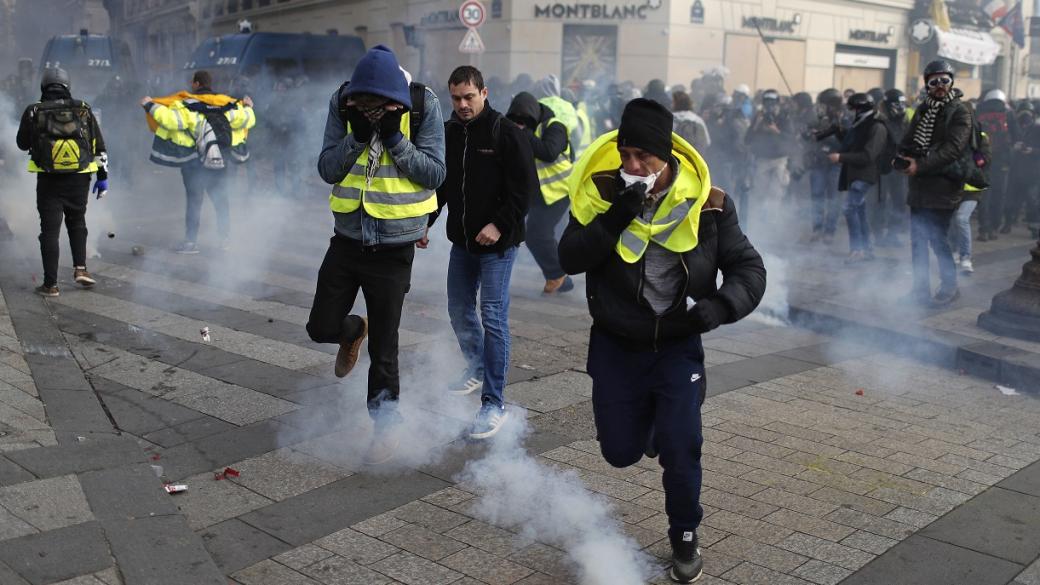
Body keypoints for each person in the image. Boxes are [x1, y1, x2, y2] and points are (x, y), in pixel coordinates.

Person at [558, 98, 766, 584]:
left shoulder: (710, 203)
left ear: (667, 159)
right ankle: (651, 426)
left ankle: (685, 537)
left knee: (681, 443)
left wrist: (720, 306)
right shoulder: (602, 191)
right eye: (625, 154)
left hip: (677, 344)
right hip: (616, 345)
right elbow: (568, 257)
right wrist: (617, 215)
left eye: (643, 158)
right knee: (619, 451)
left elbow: (749, 269)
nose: (631, 167)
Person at [308, 45, 446, 464]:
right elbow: (327, 168)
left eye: (375, 107)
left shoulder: (423, 104)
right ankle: (351, 332)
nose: (366, 111)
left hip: (394, 245)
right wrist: (357, 137)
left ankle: (386, 426)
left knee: (385, 348)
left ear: (395, 100)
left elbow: (435, 173)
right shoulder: (341, 100)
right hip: (348, 236)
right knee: (320, 326)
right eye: (360, 105)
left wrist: (394, 137)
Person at [429, 66, 537, 439]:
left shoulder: (506, 133)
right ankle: (476, 364)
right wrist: (424, 224)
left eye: (468, 97)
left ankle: (494, 404)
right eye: (455, 98)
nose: (461, 105)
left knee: (492, 316)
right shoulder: (448, 132)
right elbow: (442, 187)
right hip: (462, 242)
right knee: (458, 308)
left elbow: (525, 190)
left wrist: (499, 224)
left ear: (484, 93)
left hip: (499, 246)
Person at [15, 67, 107, 297]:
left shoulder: (34, 110)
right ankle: (81, 269)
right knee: (77, 222)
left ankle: (51, 284)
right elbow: (99, 146)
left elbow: (22, 144)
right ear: (68, 86)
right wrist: (102, 177)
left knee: (49, 231)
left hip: (49, 180)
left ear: (44, 87)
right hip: (80, 178)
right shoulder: (83, 109)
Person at [141, 70, 256, 254]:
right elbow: (248, 120)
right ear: (210, 84)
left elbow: (170, 121)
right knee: (221, 200)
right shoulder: (226, 104)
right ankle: (225, 240)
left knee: (194, 201)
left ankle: (191, 243)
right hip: (221, 162)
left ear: (195, 84)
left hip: (195, 164)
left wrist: (149, 105)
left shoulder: (187, 105)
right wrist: (249, 107)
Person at [897, 60, 972, 307]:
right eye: (934, 82)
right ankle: (919, 290)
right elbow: (907, 140)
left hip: (944, 185)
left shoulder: (960, 111)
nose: (940, 86)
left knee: (939, 240)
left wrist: (921, 164)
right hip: (919, 187)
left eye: (945, 80)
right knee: (918, 242)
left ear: (951, 82)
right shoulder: (922, 110)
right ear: (927, 85)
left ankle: (950, 287)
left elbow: (953, 149)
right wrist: (902, 157)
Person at [508, 87, 576, 294]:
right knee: (519, 230)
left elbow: (548, 152)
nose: (520, 123)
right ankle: (558, 276)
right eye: (515, 119)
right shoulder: (523, 129)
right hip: (535, 192)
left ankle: (559, 276)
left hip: (558, 192)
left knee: (538, 234)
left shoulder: (555, 127)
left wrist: (524, 133)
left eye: (524, 119)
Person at [829, 93, 886, 263]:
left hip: (865, 174)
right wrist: (839, 132)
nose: (853, 113)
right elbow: (852, 143)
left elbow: (868, 155)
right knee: (859, 211)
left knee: (849, 208)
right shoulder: (862, 124)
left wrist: (841, 157)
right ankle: (867, 249)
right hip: (855, 174)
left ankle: (857, 249)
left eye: (854, 109)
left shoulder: (877, 127)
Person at [975, 89, 1018, 240]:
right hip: (1002, 162)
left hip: (982, 160)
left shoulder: (978, 112)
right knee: (999, 195)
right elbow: (1017, 136)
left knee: (984, 194)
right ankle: (994, 227)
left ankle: (983, 229)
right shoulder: (1009, 113)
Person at [746, 89, 792, 226]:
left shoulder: (784, 118)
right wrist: (756, 125)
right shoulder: (758, 118)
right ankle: (757, 223)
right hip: (762, 160)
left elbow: (790, 140)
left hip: (779, 160)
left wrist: (776, 131)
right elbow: (747, 139)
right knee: (759, 192)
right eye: (767, 102)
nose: (770, 105)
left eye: (772, 102)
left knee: (776, 192)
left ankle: (772, 223)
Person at [875, 89, 912, 246]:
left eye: (903, 104)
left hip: (899, 169)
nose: (901, 108)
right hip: (882, 168)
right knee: (880, 202)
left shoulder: (905, 122)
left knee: (899, 202)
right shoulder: (879, 121)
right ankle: (878, 235)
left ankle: (893, 234)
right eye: (898, 105)